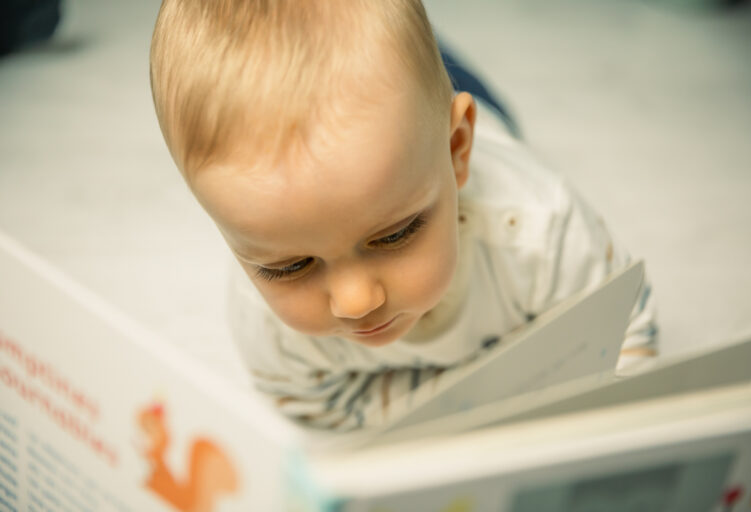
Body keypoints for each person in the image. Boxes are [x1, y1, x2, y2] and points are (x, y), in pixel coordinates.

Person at [149, 0, 657, 431]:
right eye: (288, 267)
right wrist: (468, 404)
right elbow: (316, 406)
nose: (355, 302)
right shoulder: (268, 329)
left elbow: (624, 325)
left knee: (427, 66)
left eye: (395, 235)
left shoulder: (540, 229)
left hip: (484, 119)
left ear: (458, 149)